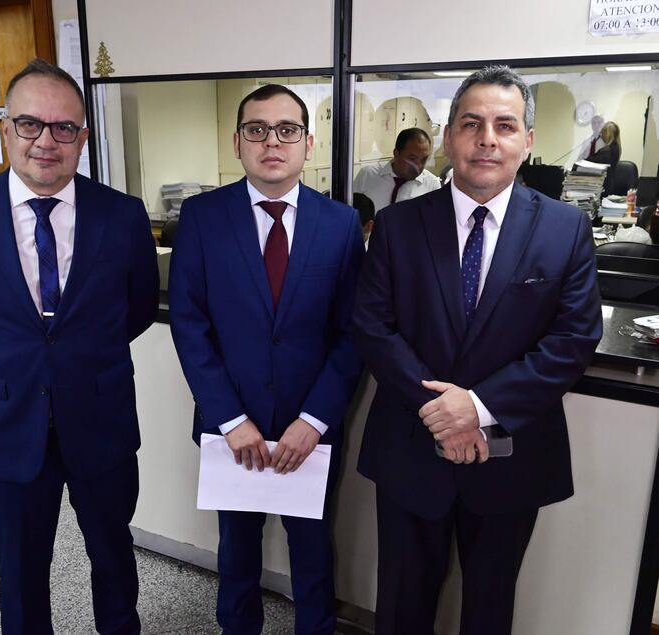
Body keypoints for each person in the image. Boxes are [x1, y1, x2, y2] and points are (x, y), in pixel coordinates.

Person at [353, 65, 602, 635]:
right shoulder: (397, 225)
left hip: (511, 454)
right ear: (448, 137)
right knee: (401, 604)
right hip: (412, 449)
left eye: (504, 125)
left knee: (490, 609)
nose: (487, 138)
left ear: (527, 141)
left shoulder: (564, 230)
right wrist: (443, 414)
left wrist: (480, 407)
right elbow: (373, 326)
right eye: (471, 124)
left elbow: (572, 339)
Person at [0, 59, 159, 635]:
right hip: (12, 423)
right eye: (30, 124)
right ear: (7, 129)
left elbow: (133, 313)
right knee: (20, 568)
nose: (45, 142)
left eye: (64, 128)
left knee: (112, 554)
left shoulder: (123, 215)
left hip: (101, 419)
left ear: (83, 137)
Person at [169, 84, 363, 635]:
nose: (271, 142)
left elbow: (352, 334)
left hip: (312, 429)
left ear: (308, 142)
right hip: (232, 426)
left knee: (313, 555)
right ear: (237, 142)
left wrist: (314, 420)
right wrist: (230, 419)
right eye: (257, 130)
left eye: (287, 130)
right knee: (236, 554)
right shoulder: (203, 217)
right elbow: (190, 325)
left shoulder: (341, 224)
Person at [354, 127, 440, 212]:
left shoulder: (432, 185)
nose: (418, 165)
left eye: (424, 159)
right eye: (412, 158)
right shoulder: (367, 176)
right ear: (396, 153)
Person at [586, 120, 621, 195]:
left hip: (603, 186)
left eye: (602, 133)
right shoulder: (616, 147)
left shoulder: (607, 151)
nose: (601, 135)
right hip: (608, 184)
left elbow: (590, 162)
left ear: (607, 134)